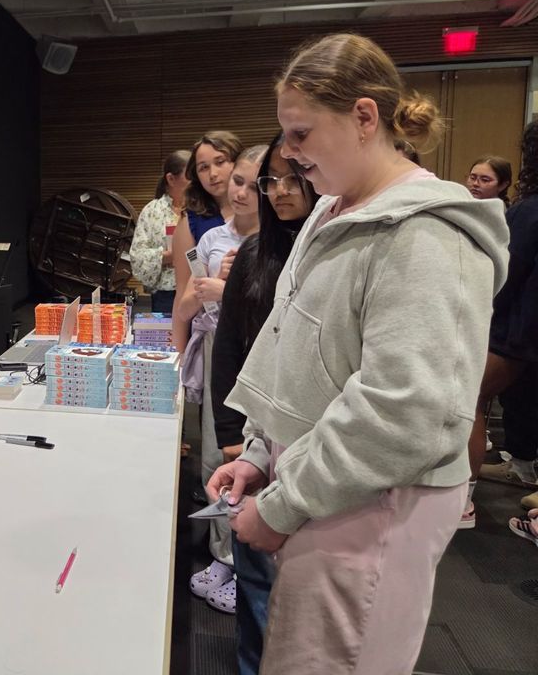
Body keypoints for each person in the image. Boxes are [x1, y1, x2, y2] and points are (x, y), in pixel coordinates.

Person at [208, 33, 508, 674]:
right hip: (327, 486)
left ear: (365, 117)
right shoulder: (331, 211)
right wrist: (262, 451)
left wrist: (283, 503)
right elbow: (297, 351)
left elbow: (409, 411)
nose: (290, 153)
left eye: (301, 134)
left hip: (375, 503)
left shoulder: (426, 233)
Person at [209, 133, 318, 673]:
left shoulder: (328, 253)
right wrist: (233, 435)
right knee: (253, 573)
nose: (280, 191)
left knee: (302, 588)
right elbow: (229, 346)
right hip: (257, 430)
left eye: (293, 179)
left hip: (311, 439)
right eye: (271, 181)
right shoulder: (255, 252)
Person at [185, 145, 262, 613]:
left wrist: (229, 287)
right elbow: (192, 296)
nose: (241, 192)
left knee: (257, 457)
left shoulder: (281, 241)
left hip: (262, 356)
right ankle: (222, 555)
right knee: (218, 455)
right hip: (222, 350)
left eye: (255, 185)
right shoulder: (212, 237)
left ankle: (246, 563)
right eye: (239, 182)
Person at [467, 123, 538, 515]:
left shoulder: (528, 211)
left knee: (470, 397)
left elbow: (504, 277)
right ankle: (523, 466)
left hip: (518, 333)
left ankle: (460, 500)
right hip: (525, 335)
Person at [171, 131, 242, 354]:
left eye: (220, 162)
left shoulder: (262, 214)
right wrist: (179, 355)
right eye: (203, 168)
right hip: (210, 335)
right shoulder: (191, 221)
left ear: (237, 162)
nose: (213, 174)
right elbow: (183, 291)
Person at [129, 150, 191, 314]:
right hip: (165, 295)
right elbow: (137, 256)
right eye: (190, 175)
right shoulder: (152, 211)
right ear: (171, 179)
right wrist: (168, 256)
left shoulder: (201, 209)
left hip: (198, 289)